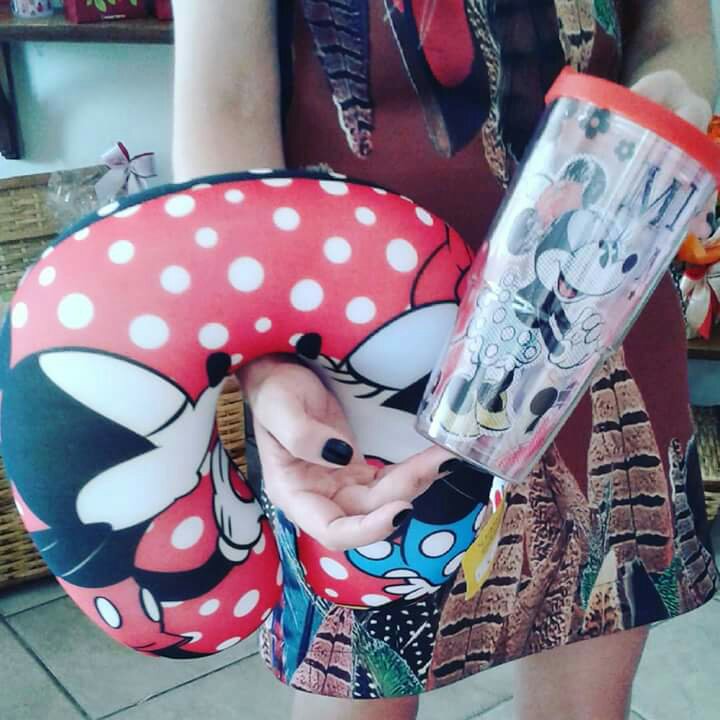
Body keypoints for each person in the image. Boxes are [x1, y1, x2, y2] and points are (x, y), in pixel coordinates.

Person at [172, 2, 718, 719]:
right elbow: (228, 95)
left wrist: (671, 100)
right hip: (351, 366)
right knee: (358, 686)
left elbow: (675, 31)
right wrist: (268, 362)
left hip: (598, 318)